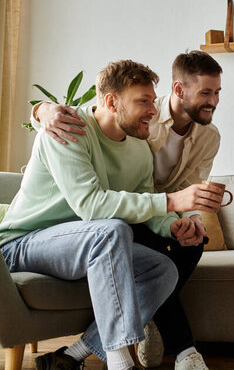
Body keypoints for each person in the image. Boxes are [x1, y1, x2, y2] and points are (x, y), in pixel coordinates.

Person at [0, 60, 217, 370]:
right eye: (142, 101)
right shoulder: (69, 130)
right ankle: (120, 363)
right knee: (111, 230)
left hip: (80, 244)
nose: (153, 110)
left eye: (152, 100)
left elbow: (144, 204)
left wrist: (174, 225)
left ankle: (77, 352)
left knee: (163, 269)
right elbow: (90, 206)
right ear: (111, 101)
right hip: (22, 243)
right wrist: (171, 201)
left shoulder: (140, 149)